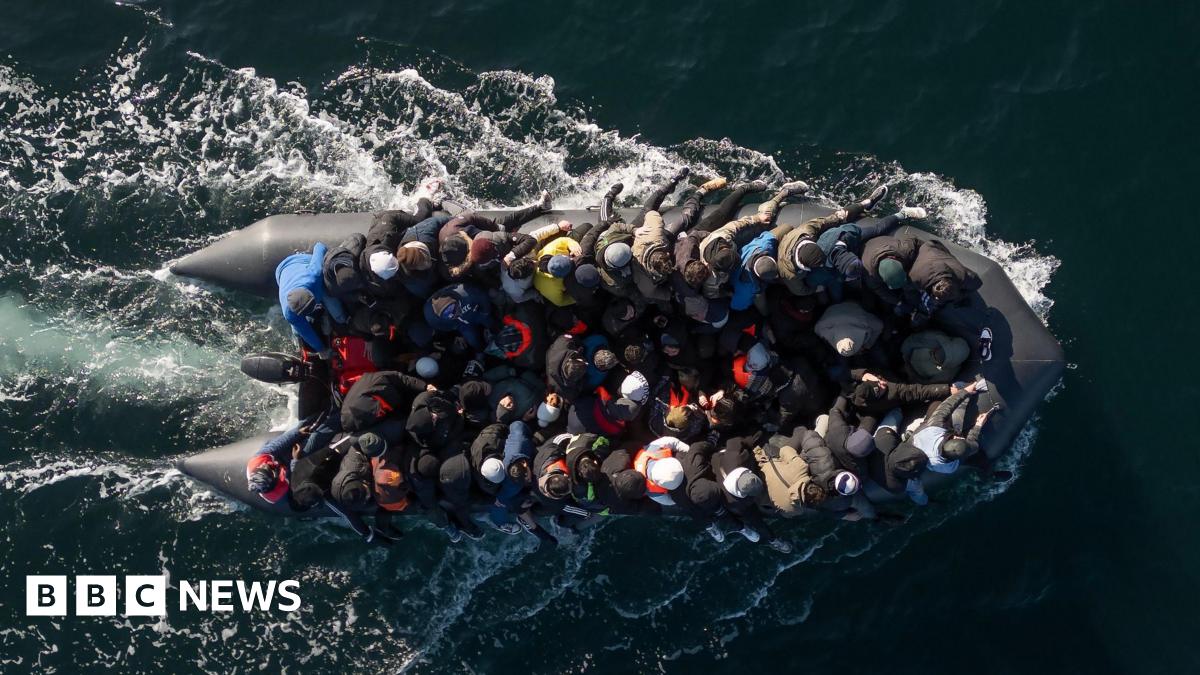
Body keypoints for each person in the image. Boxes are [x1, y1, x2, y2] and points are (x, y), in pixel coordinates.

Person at [774, 184, 888, 296]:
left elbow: (827, 221)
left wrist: (840, 218)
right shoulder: (789, 274)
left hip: (796, 239)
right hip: (790, 258)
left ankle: (866, 204)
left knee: (839, 217)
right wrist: (817, 289)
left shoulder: (806, 230)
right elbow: (800, 290)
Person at [437, 192, 552, 279]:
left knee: (503, 223)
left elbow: (473, 217)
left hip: (479, 230)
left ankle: (540, 207)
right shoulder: (456, 268)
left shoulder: (455, 226)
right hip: (482, 253)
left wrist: (496, 229)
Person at [276, 242, 347, 355]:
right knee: (298, 333)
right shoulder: (289, 314)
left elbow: (319, 246)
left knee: (340, 317)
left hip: (300, 261)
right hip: (282, 271)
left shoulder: (314, 275)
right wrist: (321, 349)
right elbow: (307, 332)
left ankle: (341, 319)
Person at [422, 283, 494, 351]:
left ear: (455, 301)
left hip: (476, 313)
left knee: (490, 322)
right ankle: (482, 351)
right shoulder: (432, 317)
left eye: (452, 309)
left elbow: (482, 298)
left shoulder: (466, 292)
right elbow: (441, 326)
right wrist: (457, 333)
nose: (453, 315)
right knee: (472, 341)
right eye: (446, 314)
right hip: (462, 326)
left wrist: (485, 312)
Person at [814, 301, 884, 358]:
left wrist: (868, 344)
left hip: (852, 304)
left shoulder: (861, 319)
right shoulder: (822, 328)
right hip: (835, 308)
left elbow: (879, 325)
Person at [901, 330, 971, 384]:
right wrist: (904, 355)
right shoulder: (934, 337)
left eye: (936, 359)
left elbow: (928, 384)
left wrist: (911, 373)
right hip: (902, 355)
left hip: (911, 377)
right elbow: (910, 341)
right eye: (933, 352)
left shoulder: (948, 374)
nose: (931, 356)